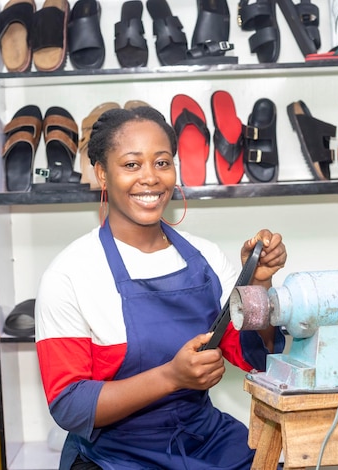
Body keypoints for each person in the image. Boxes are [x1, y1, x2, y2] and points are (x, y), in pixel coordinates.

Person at [35, 106, 287, 470]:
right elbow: (70, 406)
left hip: (207, 441)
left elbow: (255, 357)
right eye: (132, 165)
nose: (150, 178)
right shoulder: (70, 274)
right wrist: (171, 377)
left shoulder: (206, 258)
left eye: (162, 162)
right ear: (102, 174)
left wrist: (259, 283)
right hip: (117, 455)